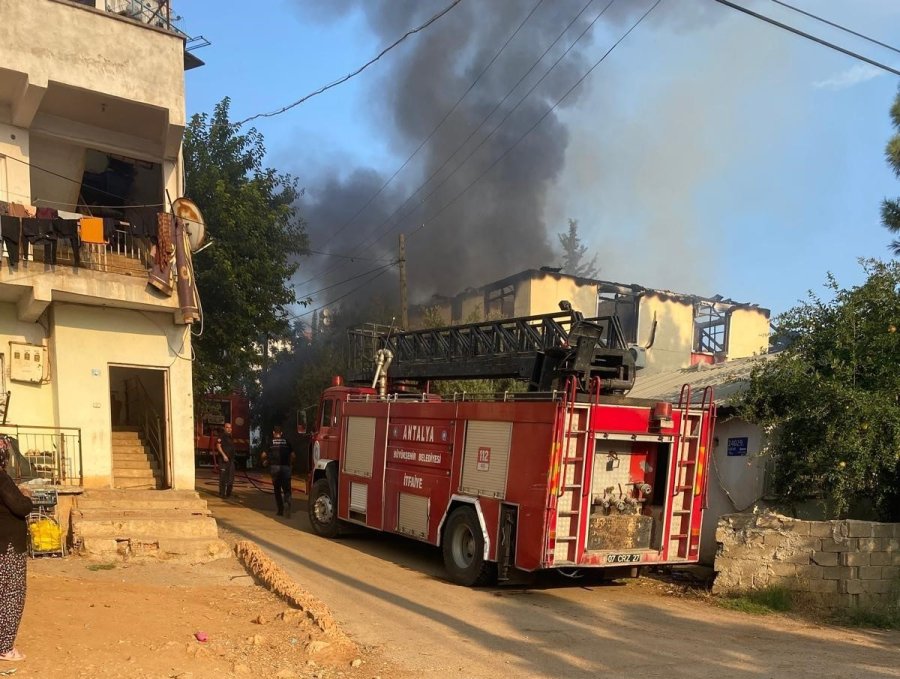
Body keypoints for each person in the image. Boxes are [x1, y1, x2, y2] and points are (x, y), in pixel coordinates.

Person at [0, 446, 33, 662]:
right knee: (12, 593)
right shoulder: (1, 479)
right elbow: (20, 507)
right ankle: (5, 646)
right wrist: (27, 497)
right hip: (7, 545)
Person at [261, 425, 294, 517]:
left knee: (277, 490)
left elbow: (263, 455)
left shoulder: (270, 442)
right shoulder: (287, 442)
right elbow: (293, 455)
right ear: (281, 433)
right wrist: (290, 464)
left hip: (274, 468)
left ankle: (280, 510)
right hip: (286, 468)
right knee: (287, 489)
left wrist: (265, 461)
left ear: (273, 433)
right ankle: (287, 503)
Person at [215, 422, 236, 499]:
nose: (229, 429)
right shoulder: (221, 436)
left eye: (230, 427)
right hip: (223, 460)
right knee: (223, 478)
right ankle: (222, 494)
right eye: (227, 427)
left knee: (231, 479)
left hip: (231, 461)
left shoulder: (231, 437)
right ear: (224, 428)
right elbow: (218, 446)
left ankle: (228, 494)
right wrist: (224, 455)